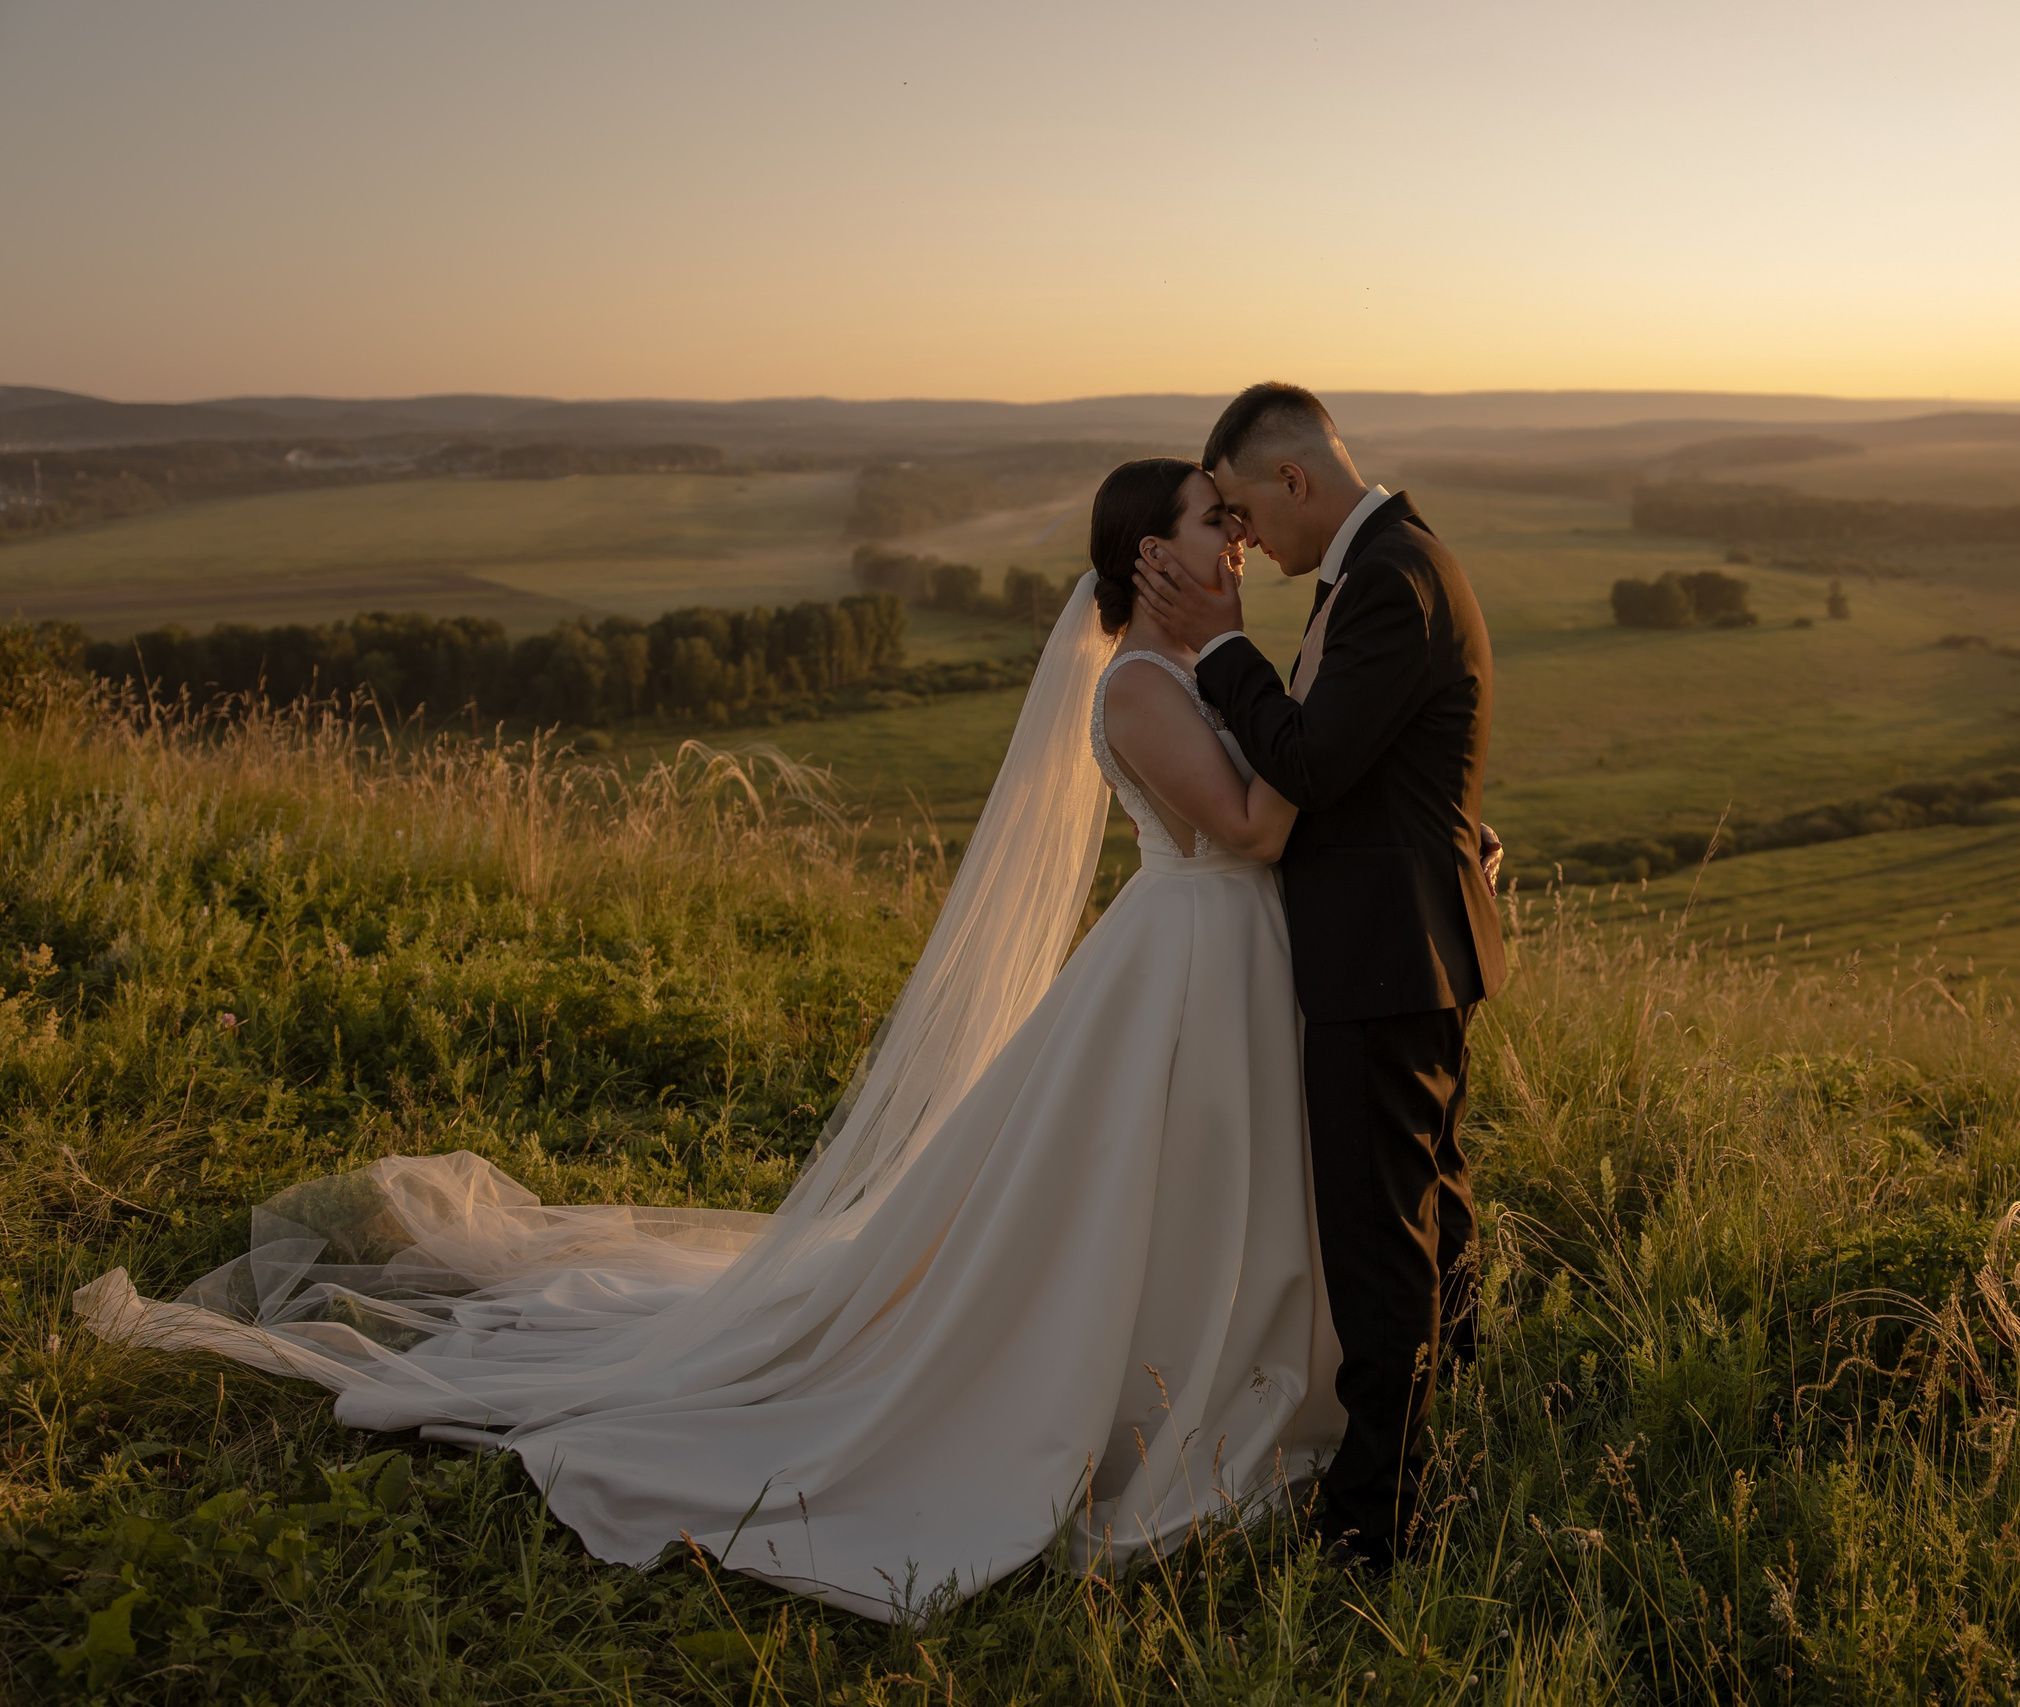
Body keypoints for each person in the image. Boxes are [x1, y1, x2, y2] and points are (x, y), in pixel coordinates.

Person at [76, 458, 1345, 1620]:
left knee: (1197, 1190)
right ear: (1149, 558)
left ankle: (1219, 1364)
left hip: (1231, 967)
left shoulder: (1201, 669)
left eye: (1237, 526)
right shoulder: (1136, 685)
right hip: (1178, 964)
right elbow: (1247, 827)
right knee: (1138, 1194)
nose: (1234, 542)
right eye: (1209, 524)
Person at [1136, 382, 1507, 1564]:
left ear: (1292, 479)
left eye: (1241, 510)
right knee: (1425, 1204)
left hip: (1382, 954)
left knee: (1377, 1237)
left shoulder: (1388, 581)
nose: (1241, 540)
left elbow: (1311, 756)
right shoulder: (1394, 562)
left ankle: (1374, 1519)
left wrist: (1217, 644)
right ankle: (1437, 1429)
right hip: (1408, 940)